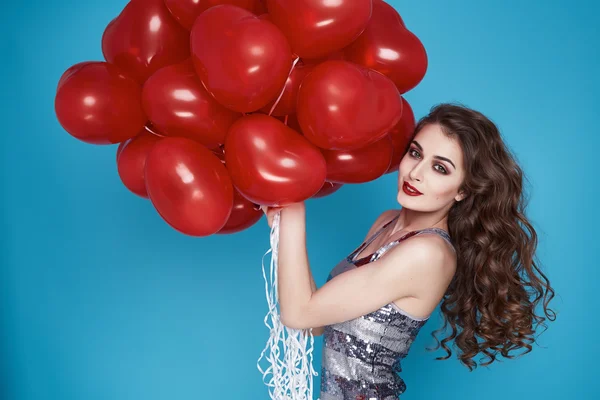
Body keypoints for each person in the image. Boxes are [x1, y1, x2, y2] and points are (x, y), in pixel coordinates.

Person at [262, 103, 556, 400]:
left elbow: (300, 313)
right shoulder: (386, 223)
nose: (416, 173)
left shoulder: (428, 253)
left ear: (462, 190)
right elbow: (316, 323)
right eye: (415, 153)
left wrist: (295, 208)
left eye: (440, 168)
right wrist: (283, 228)